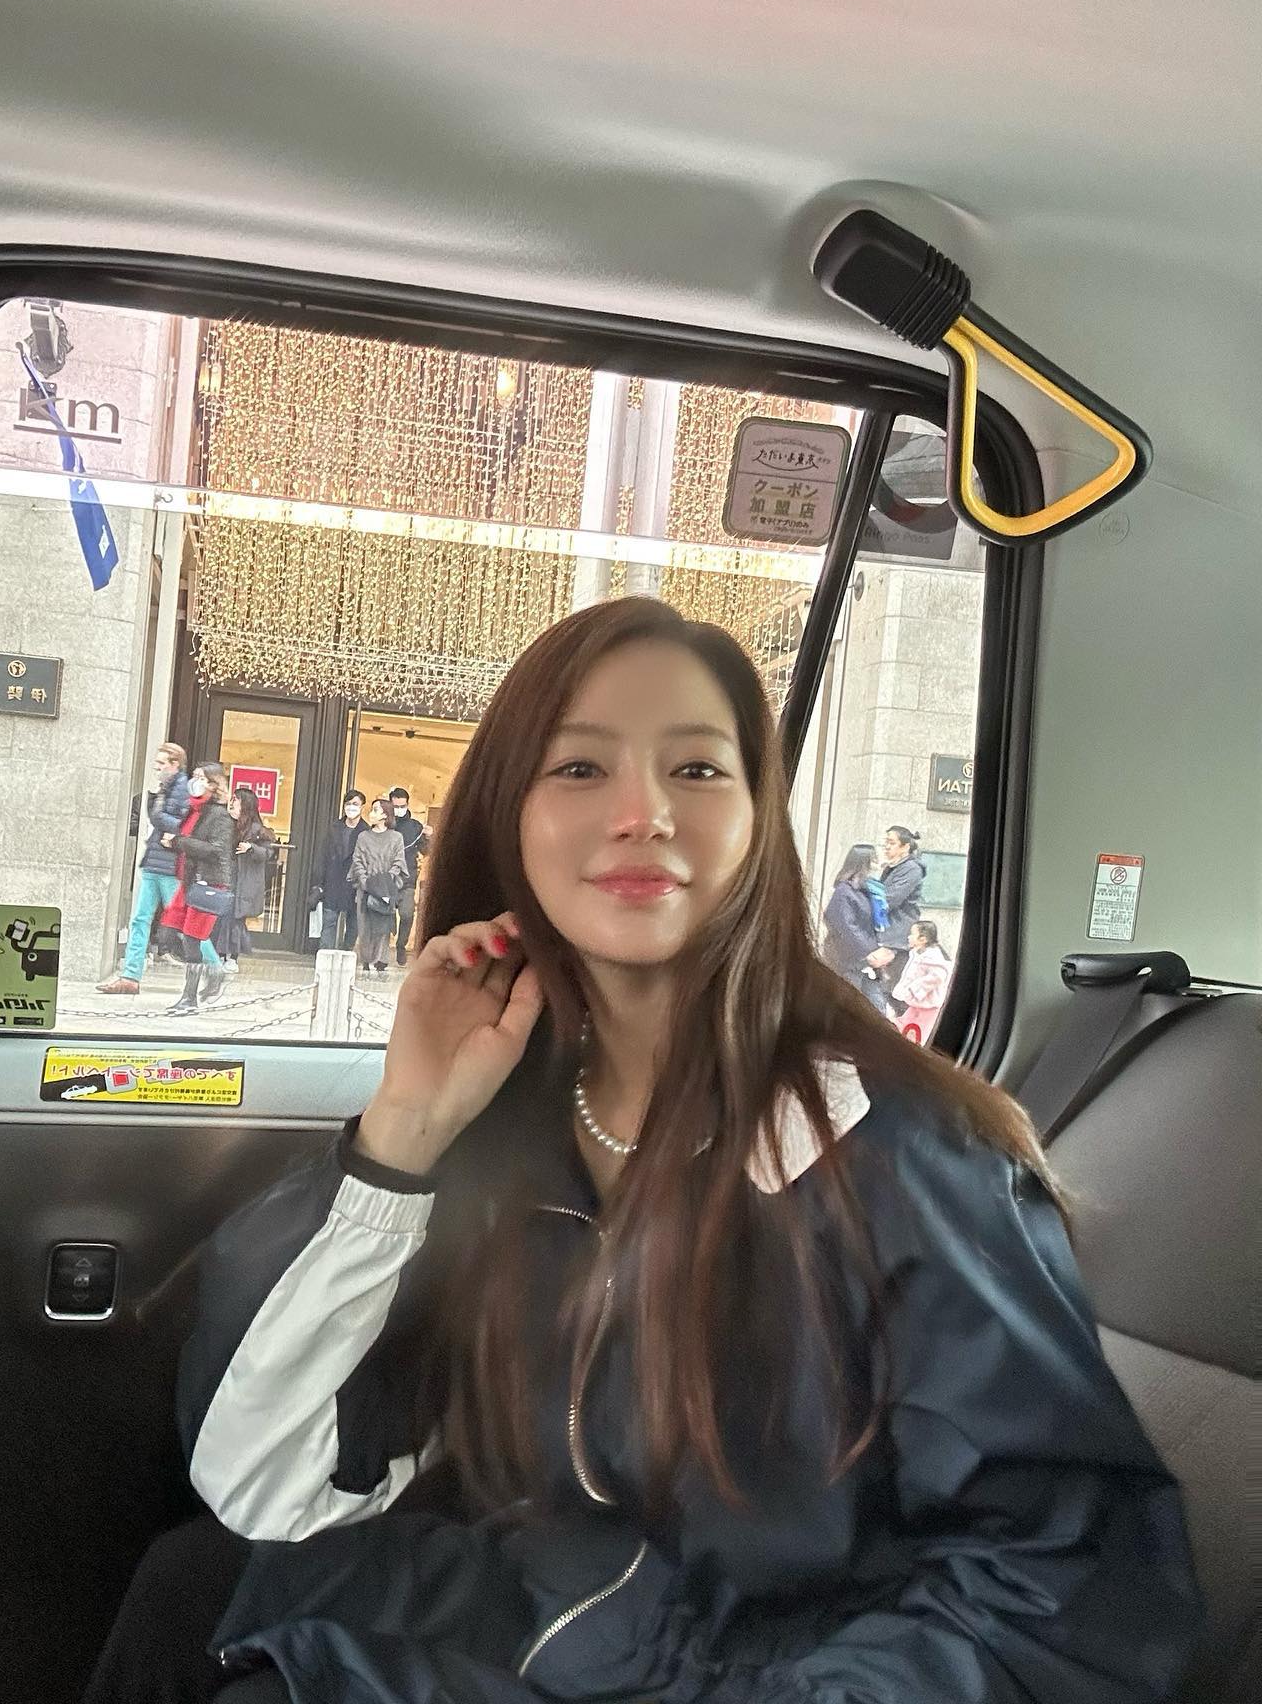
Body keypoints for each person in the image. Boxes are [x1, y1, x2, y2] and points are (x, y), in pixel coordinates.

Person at [86, 597, 1201, 1704]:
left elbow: (1063, 1589)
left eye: (698, 770)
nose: (643, 814)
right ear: (509, 816)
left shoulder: (904, 1158)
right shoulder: (511, 1128)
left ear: (758, 822)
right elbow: (266, 1481)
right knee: (193, 1588)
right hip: (555, 1615)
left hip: (779, 1671)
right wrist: (405, 1131)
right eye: (580, 769)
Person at [97, 743, 190, 996]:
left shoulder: (182, 788)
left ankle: (211, 968)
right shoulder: (166, 788)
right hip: (155, 861)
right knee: (140, 920)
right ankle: (130, 976)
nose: (156, 767)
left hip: (170, 866)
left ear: (174, 764)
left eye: (161, 763)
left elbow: (186, 825)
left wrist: (158, 814)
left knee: (184, 922)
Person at [156, 763, 235, 1017]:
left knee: (192, 940)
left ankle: (189, 997)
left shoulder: (220, 816)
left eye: (201, 778)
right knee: (167, 933)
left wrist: (179, 842)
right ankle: (213, 972)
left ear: (213, 784)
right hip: (188, 881)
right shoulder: (193, 810)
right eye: (195, 776)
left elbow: (215, 850)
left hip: (207, 883)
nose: (195, 781)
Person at [865, 822, 926, 1013]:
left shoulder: (911, 869)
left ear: (905, 847)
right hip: (887, 933)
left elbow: (889, 899)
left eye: (891, 843)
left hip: (897, 937)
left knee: (893, 992)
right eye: (886, 842)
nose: (886, 847)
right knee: (883, 989)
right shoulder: (892, 868)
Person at [820, 841, 886, 1010]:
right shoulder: (844, 891)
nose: (879, 865)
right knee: (847, 1007)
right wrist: (869, 951)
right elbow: (846, 926)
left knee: (877, 1007)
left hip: (865, 962)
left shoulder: (868, 891)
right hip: (846, 960)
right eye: (874, 860)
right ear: (863, 863)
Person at [347, 797, 408, 974]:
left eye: (375, 809)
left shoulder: (396, 838)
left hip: (386, 887)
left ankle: (381, 960)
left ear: (385, 814)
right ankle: (366, 959)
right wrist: (366, 881)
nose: (372, 813)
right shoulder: (363, 837)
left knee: (383, 924)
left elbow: (399, 861)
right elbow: (357, 860)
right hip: (366, 887)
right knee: (365, 925)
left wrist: (387, 880)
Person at [218, 787, 275, 971]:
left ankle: (232, 957)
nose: (232, 803)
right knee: (223, 917)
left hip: (244, 881)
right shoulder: (226, 823)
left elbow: (267, 852)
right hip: (226, 877)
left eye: (237, 800)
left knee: (236, 919)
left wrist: (251, 848)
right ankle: (220, 955)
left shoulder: (257, 829)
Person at [310, 790, 366, 952]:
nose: (351, 807)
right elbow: (323, 855)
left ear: (362, 806)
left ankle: (346, 953)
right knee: (329, 920)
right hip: (333, 880)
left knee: (353, 923)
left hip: (354, 883)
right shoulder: (334, 828)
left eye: (355, 804)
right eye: (348, 804)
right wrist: (319, 881)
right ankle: (325, 955)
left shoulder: (366, 831)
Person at [386, 786, 432, 966]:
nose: (399, 809)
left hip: (407, 879)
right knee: (384, 915)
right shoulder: (384, 824)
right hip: (386, 879)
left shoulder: (415, 827)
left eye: (402, 806)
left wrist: (429, 837)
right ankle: (382, 950)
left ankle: (401, 945)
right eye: (395, 806)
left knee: (406, 914)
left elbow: (426, 851)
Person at [892, 917, 953, 1043]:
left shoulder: (932, 957)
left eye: (912, 934)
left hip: (927, 1004)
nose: (908, 937)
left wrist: (915, 989)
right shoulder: (917, 954)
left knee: (920, 1032)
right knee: (906, 1025)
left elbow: (938, 976)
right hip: (918, 1004)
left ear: (923, 939)